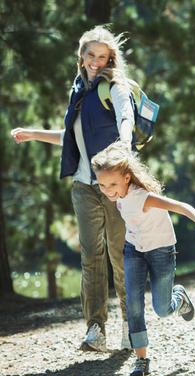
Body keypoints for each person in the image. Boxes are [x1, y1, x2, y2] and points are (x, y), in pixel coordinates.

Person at [11, 25, 137, 351]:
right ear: (81, 56)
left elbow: (126, 117)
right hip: (83, 186)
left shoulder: (114, 86)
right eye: (91, 55)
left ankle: (129, 324)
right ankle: (95, 329)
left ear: (110, 59)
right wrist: (33, 133)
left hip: (115, 186)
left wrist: (124, 142)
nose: (96, 61)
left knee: (121, 255)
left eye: (103, 56)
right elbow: (71, 138)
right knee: (91, 259)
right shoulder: (78, 90)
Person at [91, 141, 195, 376]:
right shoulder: (116, 193)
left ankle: (178, 298)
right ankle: (142, 360)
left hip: (161, 251)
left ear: (127, 178)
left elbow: (182, 206)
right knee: (133, 304)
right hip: (134, 251)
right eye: (102, 185)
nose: (107, 190)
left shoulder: (144, 198)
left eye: (112, 184)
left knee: (162, 308)